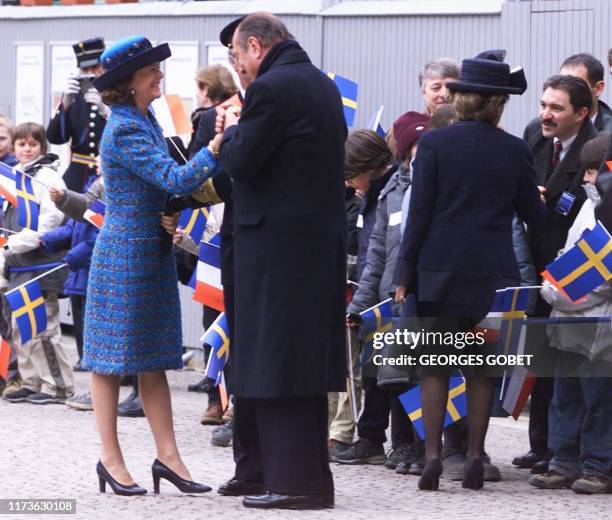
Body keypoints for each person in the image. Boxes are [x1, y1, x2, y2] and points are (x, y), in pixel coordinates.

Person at [394, 56, 546, 491]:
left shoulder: (436, 146)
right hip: (490, 273)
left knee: (436, 368)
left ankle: (432, 459)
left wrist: (405, 274)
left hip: (438, 270)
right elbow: (531, 215)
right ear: (498, 105)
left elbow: (419, 215)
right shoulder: (515, 148)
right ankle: (476, 455)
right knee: (480, 369)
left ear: (460, 99)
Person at [214, 13, 346, 509]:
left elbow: (242, 162)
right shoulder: (317, 83)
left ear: (254, 46)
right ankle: (267, 470)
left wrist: (230, 131)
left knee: (280, 359)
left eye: (236, 58)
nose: (238, 69)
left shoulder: (272, 90)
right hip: (304, 246)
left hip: (280, 251)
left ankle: (296, 483)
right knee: (279, 356)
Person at [83, 35, 221, 496]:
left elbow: (166, 186)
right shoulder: (124, 127)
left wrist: (171, 206)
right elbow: (174, 175)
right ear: (128, 83)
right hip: (123, 255)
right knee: (107, 362)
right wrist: (216, 147)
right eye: (151, 72)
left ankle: (169, 458)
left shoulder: (144, 119)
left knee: (154, 361)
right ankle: (111, 460)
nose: (159, 76)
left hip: (148, 249)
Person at [514, 75, 598, 474]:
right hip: (537, 267)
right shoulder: (536, 139)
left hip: (572, 273)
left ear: (581, 114)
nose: (546, 114)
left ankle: (567, 452)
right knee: (540, 359)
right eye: (544, 105)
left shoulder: (593, 153)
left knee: (569, 372)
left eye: (556, 108)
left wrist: (545, 204)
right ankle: (542, 445)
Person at [529, 134, 612, 494]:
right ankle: (563, 460)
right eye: (587, 172)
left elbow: (601, 278)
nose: (589, 180)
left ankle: (598, 465)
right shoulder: (587, 207)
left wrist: (558, 294)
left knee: (598, 401)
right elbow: (568, 253)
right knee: (565, 396)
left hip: (599, 328)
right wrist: (557, 286)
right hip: (569, 324)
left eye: (594, 172)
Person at [328, 130, 396, 463]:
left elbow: (377, 256)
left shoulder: (388, 195)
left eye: (351, 176)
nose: (349, 184)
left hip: (383, 296)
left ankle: (391, 442)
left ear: (367, 168)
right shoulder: (368, 196)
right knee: (371, 370)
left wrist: (358, 305)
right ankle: (371, 437)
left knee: (387, 373)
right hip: (370, 292)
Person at [1, 123, 72, 405]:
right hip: (16, 263)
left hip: (40, 263)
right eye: (21, 144)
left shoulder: (49, 179)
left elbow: (49, 222)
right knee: (21, 325)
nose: (27, 149)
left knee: (43, 326)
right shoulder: (12, 178)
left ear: (42, 146)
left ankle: (57, 385)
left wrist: (13, 244)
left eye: (32, 144)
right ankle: (31, 380)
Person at [47, 37, 108, 193]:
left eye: (94, 68)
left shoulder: (116, 94)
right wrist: (65, 106)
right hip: (77, 175)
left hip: (108, 174)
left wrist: (106, 111)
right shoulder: (75, 96)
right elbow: (55, 138)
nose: (90, 74)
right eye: (85, 70)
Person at [560, 53, 612, 134]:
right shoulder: (542, 127)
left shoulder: (608, 136)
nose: (564, 93)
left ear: (598, 88)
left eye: (574, 86)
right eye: (560, 85)